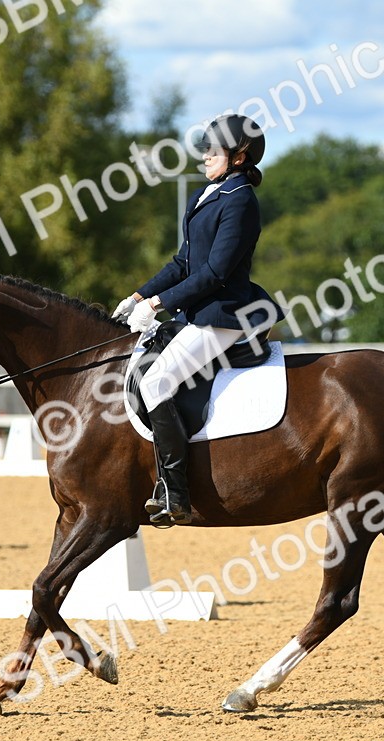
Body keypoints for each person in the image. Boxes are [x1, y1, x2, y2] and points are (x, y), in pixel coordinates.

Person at [112, 114, 283, 527]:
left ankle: (174, 491)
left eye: (214, 149)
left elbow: (215, 273)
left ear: (239, 156)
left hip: (223, 316)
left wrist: (157, 305)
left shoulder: (241, 200)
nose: (205, 155)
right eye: (205, 147)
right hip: (197, 312)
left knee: (156, 382)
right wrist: (138, 294)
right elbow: (182, 263)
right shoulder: (206, 194)